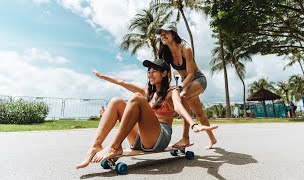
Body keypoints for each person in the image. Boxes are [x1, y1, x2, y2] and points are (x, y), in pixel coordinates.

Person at [76, 59, 218, 169]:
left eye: (154, 71)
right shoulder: (148, 92)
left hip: (160, 137)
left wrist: (193, 125)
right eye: (148, 71)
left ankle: (114, 146)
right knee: (116, 101)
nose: (150, 73)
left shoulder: (171, 91)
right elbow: (122, 82)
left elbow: (179, 106)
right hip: (141, 138)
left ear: (164, 74)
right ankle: (95, 146)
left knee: (136, 98)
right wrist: (102, 76)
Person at [156, 24, 217, 149]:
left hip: (198, 79)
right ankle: (212, 139)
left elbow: (190, 74)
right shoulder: (166, 53)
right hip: (185, 82)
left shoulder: (186, 48)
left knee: (183, 97)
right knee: (200, 114)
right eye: (161, 34)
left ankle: (185, 138)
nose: (162, 35)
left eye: (165, 33)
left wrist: (181, 89)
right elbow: (167, 74)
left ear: (173, 34)